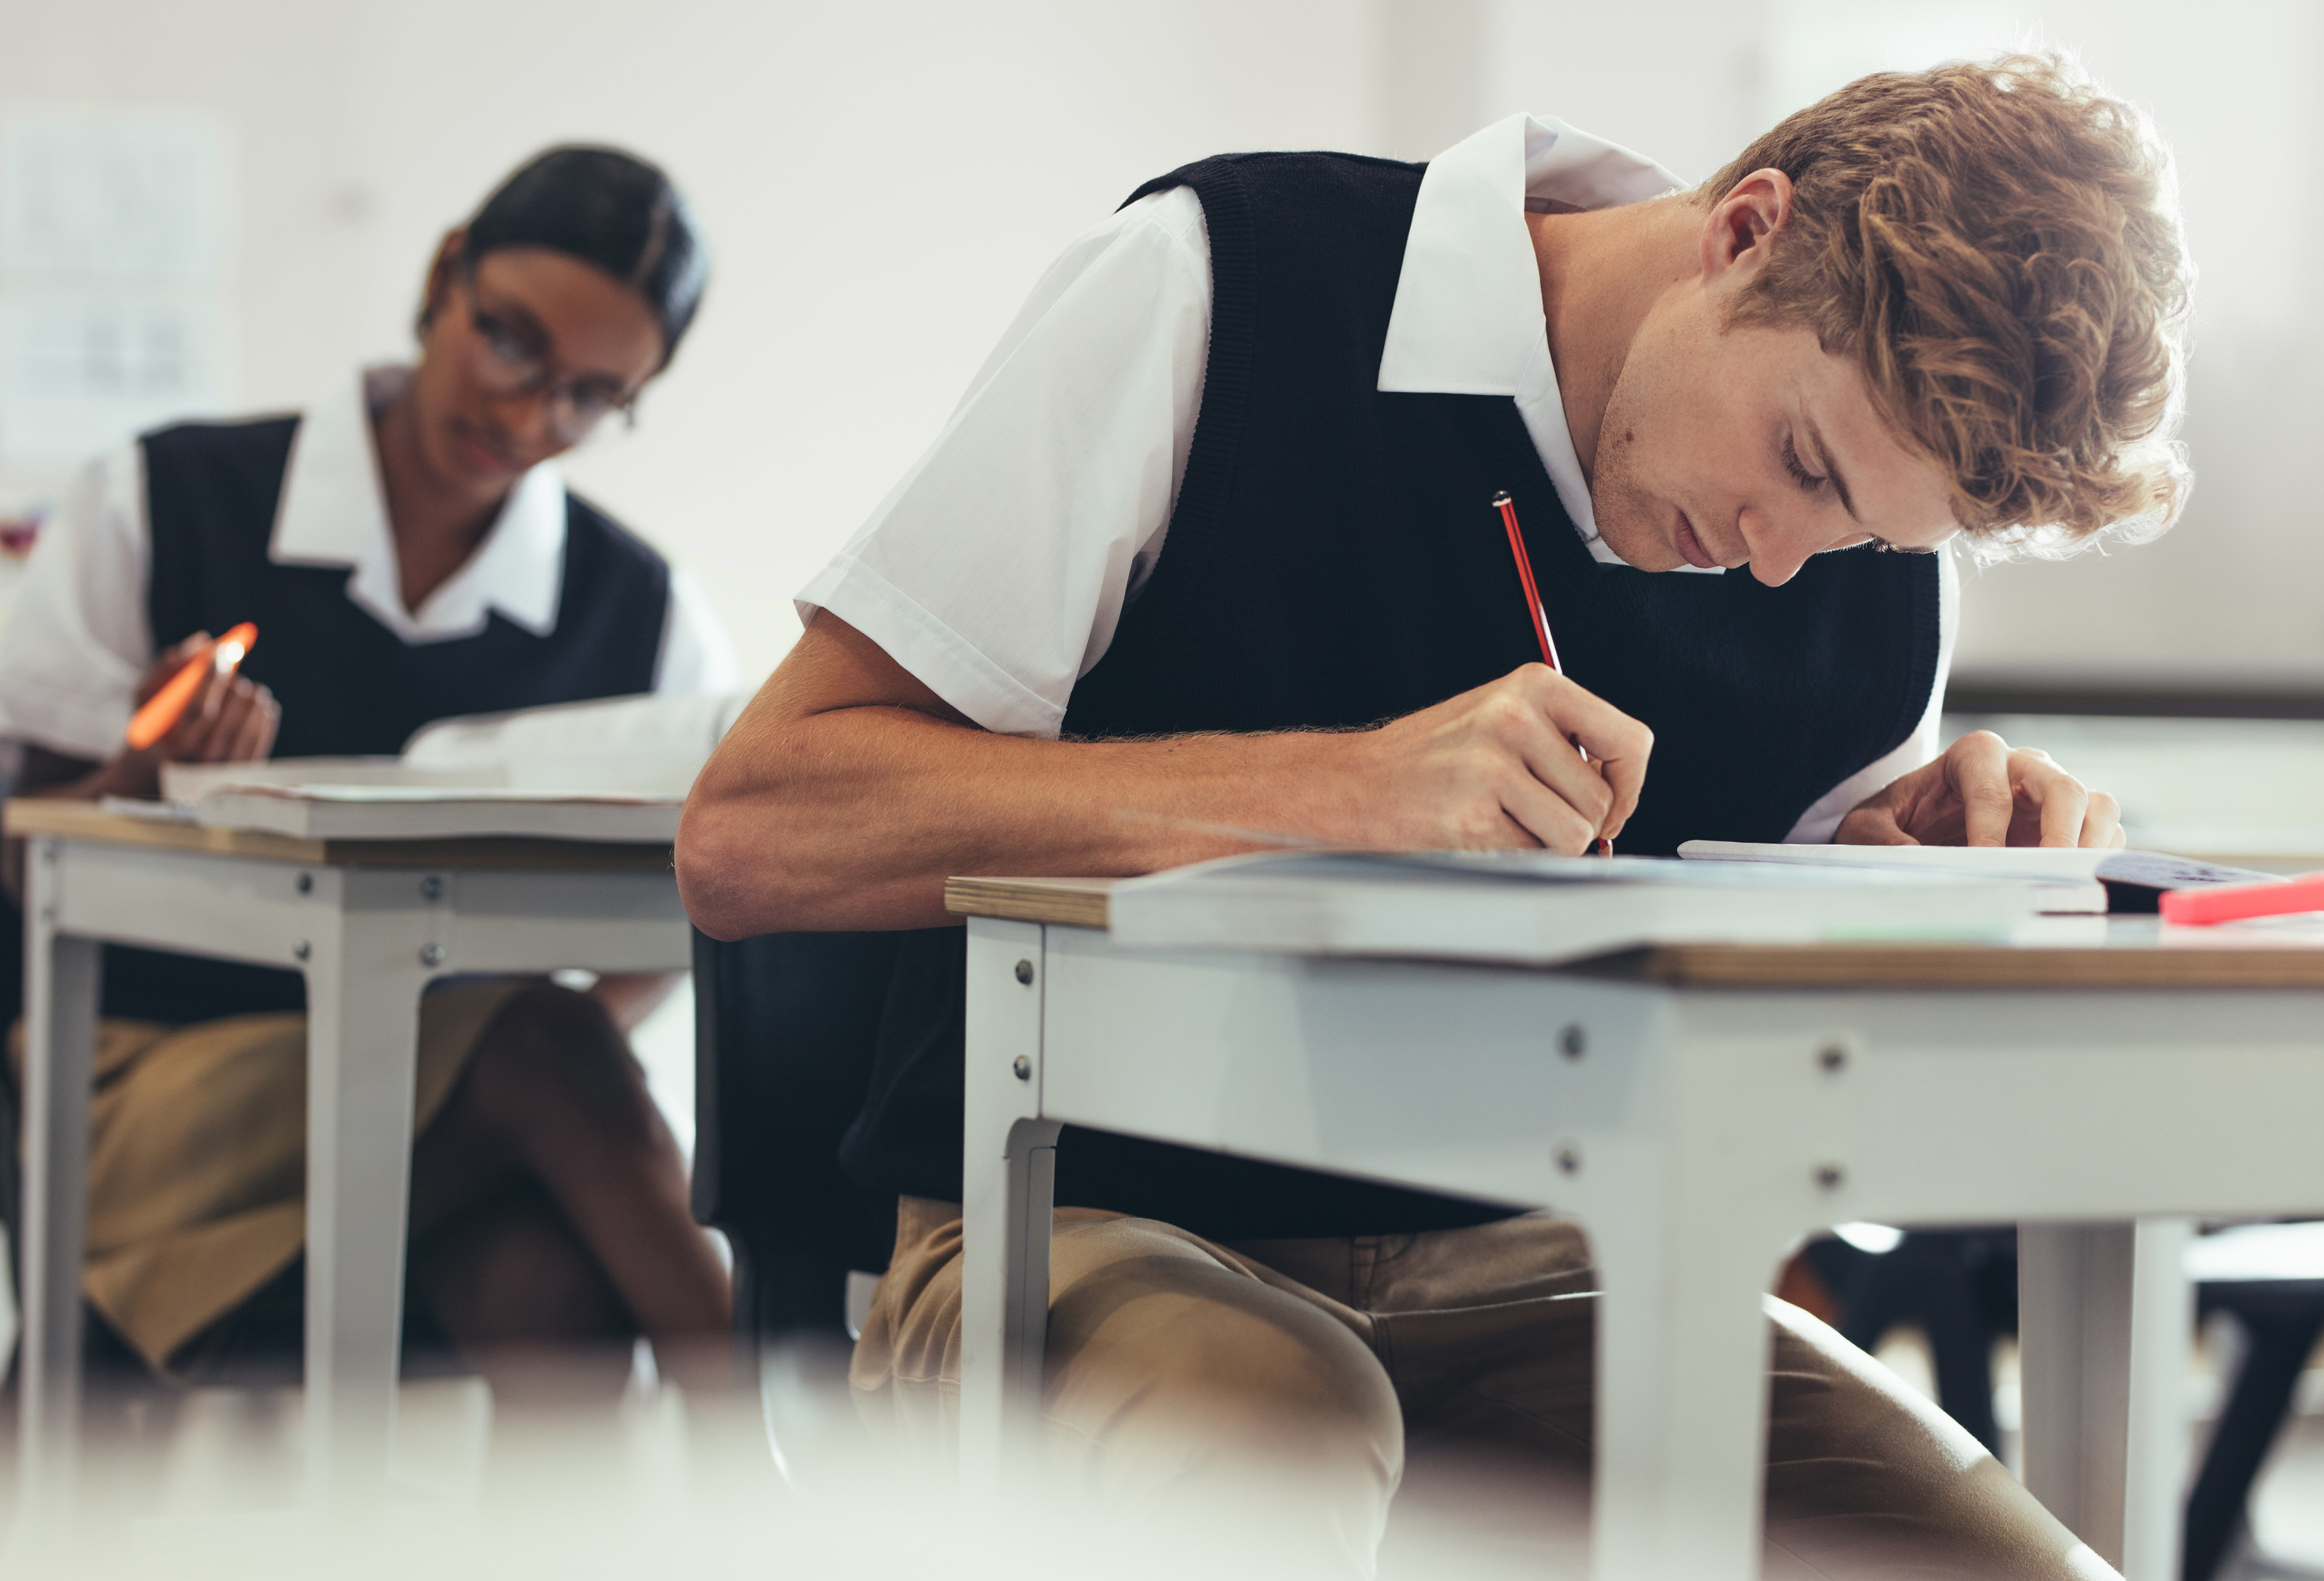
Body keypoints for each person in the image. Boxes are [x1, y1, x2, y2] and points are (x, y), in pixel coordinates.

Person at [679, 56, 2183, 1576]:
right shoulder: (1225, 285)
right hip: (1072, 1227)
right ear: (1746, 232)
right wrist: (1339, 786)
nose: (1783, 560)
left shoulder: (1845, 554)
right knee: (1282, 1452)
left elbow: (1760, 1021)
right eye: (1801, 462)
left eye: (1859, 523)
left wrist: (1904, 858)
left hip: (1562, 1279)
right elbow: (750, 831)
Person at [1, 146, 737, 1401]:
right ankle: (793, 1464)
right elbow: (22, 855)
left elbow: (707, 884)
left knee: (552, 1281)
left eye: (590, 397)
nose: (528, 418)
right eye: (510, 345)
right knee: (546, 1044)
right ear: (446, 271)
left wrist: (478, 1061)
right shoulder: (165, 497)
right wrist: (141, 769)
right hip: (137, 1095)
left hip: (433, 1114)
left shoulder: (641, 604)